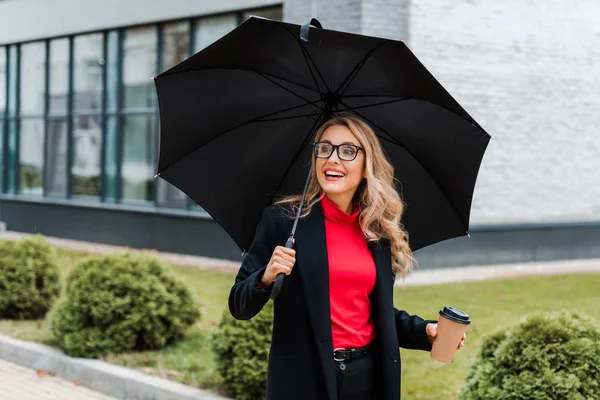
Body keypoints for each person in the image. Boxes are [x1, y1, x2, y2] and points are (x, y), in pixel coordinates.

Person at [229, 113, 466, 400]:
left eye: (348, 151)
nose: (332, 159)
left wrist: (424, 331)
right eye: (324, 148)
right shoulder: (283, 221)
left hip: (367, 378)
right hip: (306, 380)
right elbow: (239, 305)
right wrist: (265, 276)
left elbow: (373, 313)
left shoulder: (376, 232)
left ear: (366, 167)